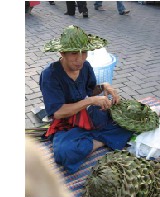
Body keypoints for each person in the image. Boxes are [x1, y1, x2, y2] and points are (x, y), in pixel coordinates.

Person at [39, 25, 133, 174]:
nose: (80, 59)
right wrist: (90, 101)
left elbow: (90, 91)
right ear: (62, 53)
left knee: (129, 123)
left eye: (84, 53)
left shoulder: (86, 66)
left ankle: (90, 140)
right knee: (64, 153)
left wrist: (104, 86)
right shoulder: (50, 75)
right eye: (74, 53)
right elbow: (58, 112)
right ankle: (101, 140)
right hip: (68, 122)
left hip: (88, 114)